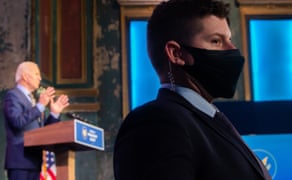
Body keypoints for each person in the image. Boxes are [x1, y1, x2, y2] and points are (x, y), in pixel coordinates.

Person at [113, 0, 272, 179]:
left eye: (230, 39)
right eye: (216, 41)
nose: (233, 50)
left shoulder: (210, 119)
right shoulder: (156, 122)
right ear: (176, 53)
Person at [3, 61, 69, 180]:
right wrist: (40, 106)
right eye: (36, 74)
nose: (39, 78)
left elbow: (42, 132)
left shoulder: (33, 100)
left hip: (34, 161)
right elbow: (17, 122)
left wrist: (54, 113)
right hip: (20, 162)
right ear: (25, 76)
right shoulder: (13, 96)